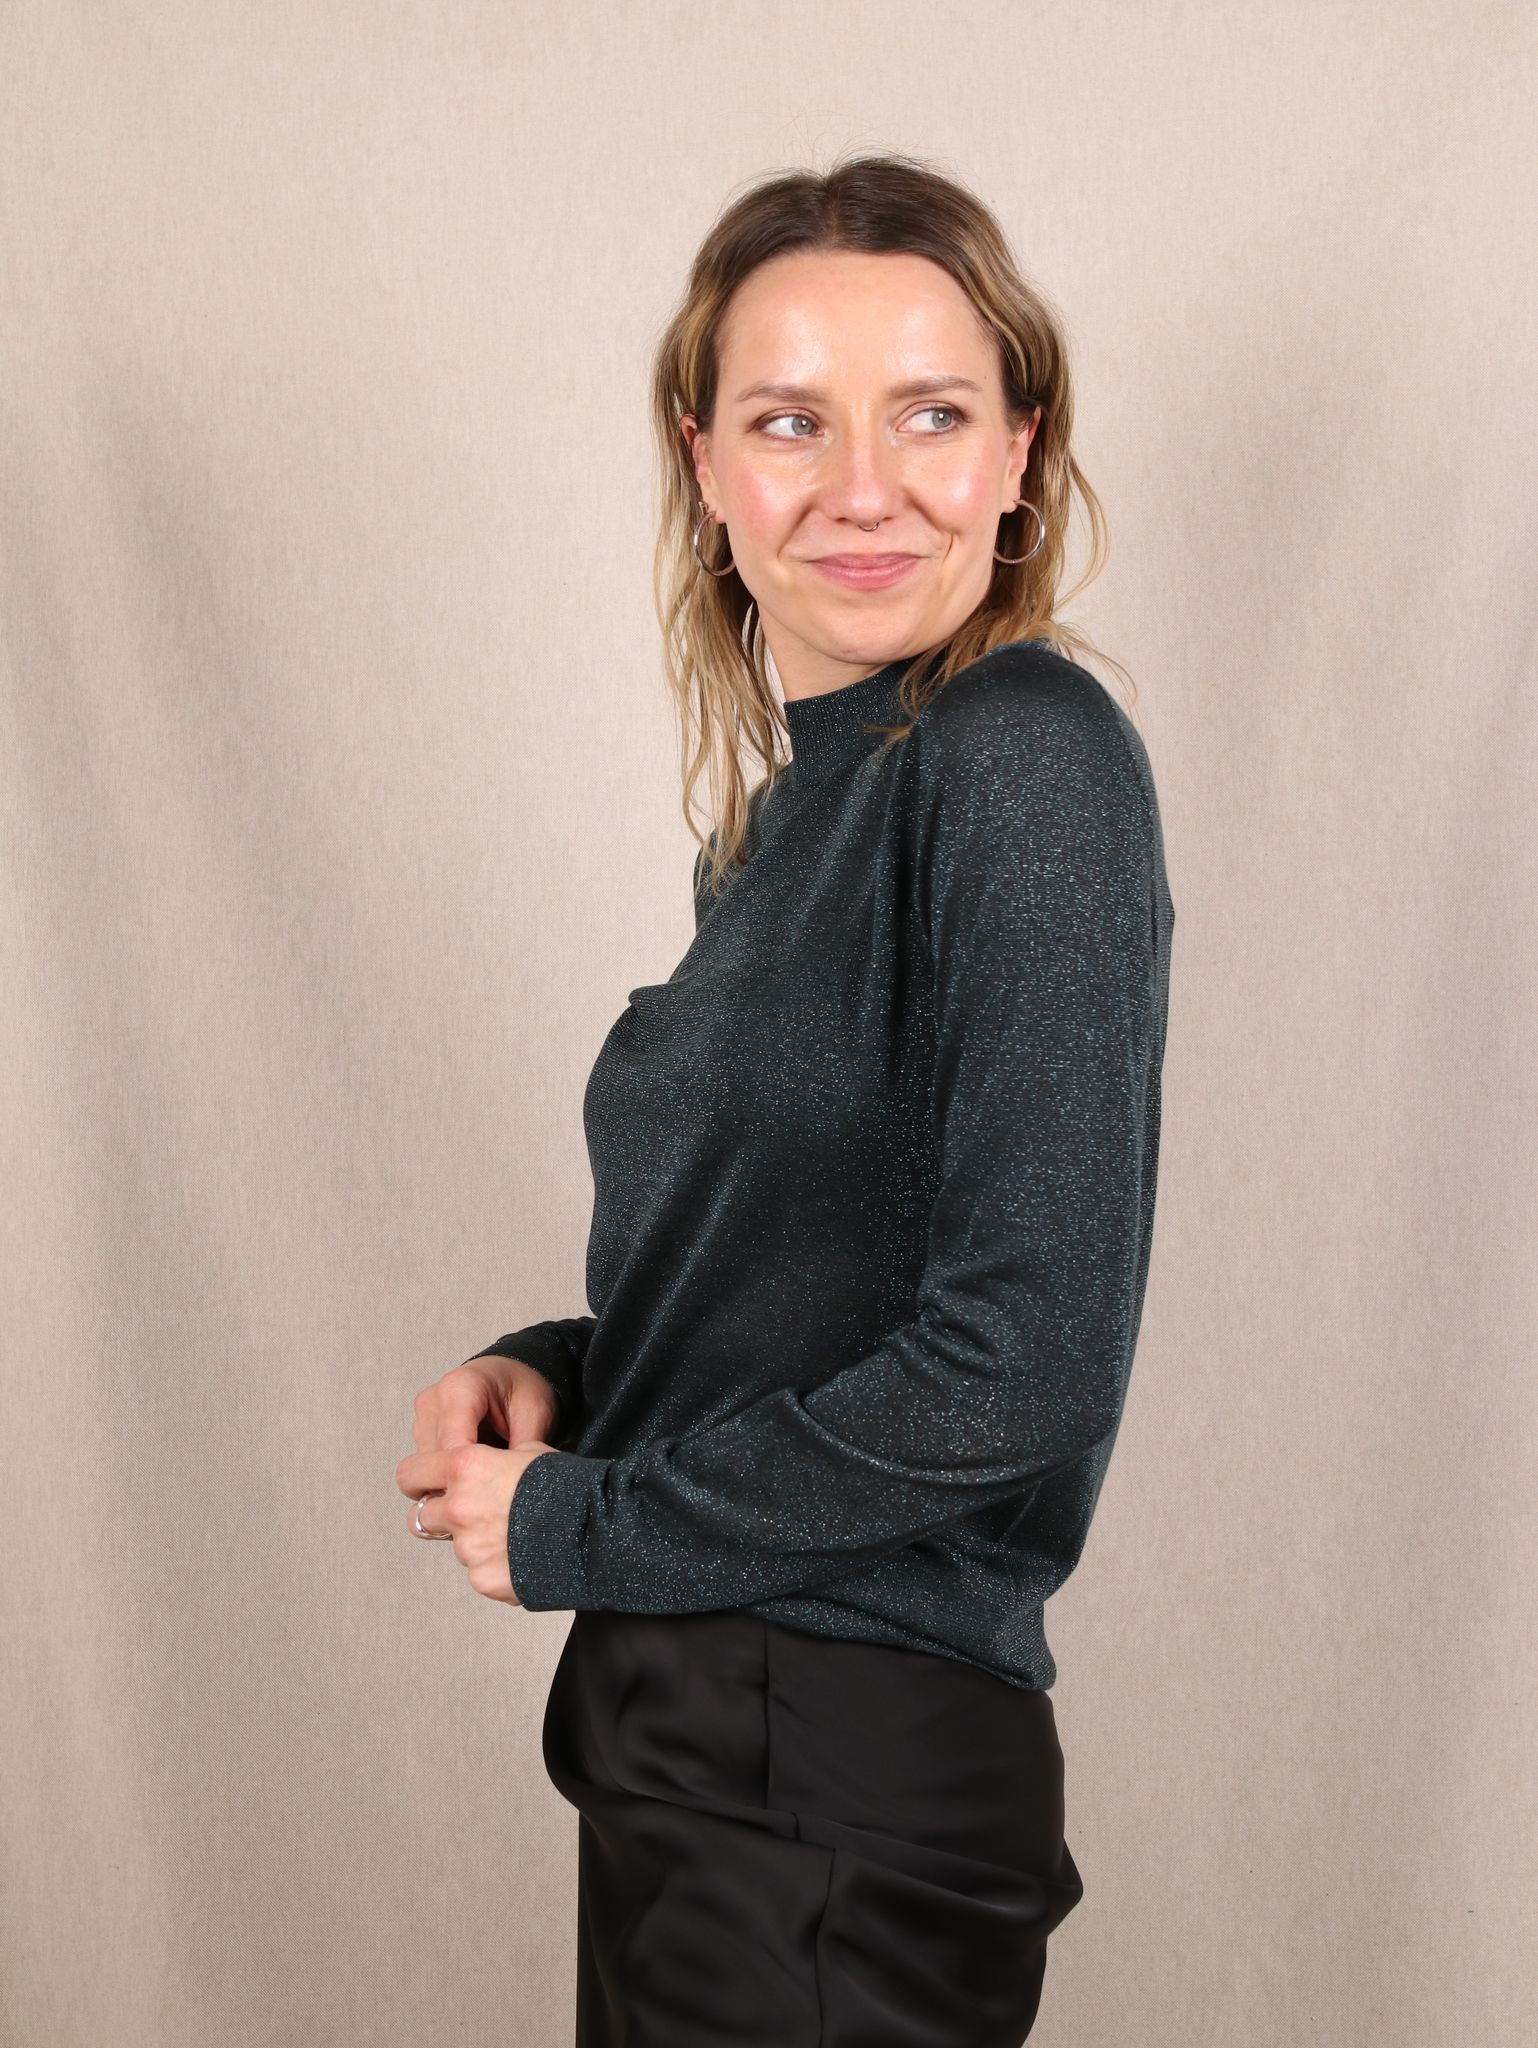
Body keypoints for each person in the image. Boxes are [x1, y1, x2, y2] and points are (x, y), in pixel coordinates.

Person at [395, 149, 1175, 2047]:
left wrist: (583, 1528)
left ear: (1017, 452)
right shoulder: (786, 821)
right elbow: (811, 1282)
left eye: (930, 413)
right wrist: (561, 1370)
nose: (860, 484)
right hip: (707, 1753)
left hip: (832, 1767)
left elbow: (1021, 1364)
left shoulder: (1022, 757)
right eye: (788, 420)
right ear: (704, 464)